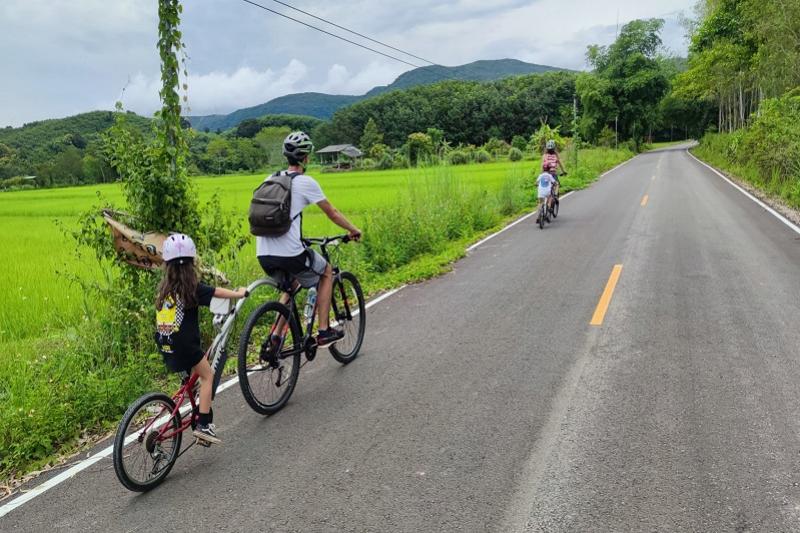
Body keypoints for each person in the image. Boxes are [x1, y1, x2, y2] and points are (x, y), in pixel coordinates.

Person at [256, 131, 362, 347]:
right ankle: (323, 331)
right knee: (326, 272)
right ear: (306, 157)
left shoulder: (270, 178)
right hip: (289, 253)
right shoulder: (305, 182)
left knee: (291, 285)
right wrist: (353, 229)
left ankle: (275, 337)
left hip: (263, 253)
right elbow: (332, 212)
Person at [155, 234, 246, 444]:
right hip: (186, 346)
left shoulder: (164, 289)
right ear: (191, 263)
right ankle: (204, 425)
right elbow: (217, 292)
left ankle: (195, 410)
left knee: (193, 376)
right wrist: (239, 294)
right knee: (207, 376)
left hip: (165, 343)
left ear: (167, 264)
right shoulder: (191, 288)